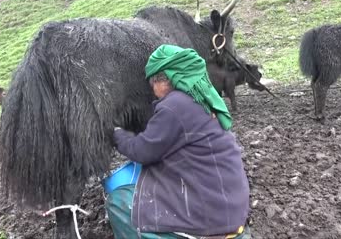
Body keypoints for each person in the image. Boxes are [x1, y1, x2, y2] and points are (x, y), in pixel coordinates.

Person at [106, 44, 251, 239]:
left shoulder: (175, 105)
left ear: (165, 79)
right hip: (229, 206)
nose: (152, 89)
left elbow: (142, 151)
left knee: (120, 202)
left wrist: (117, 134)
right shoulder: (204, 97)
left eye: (152, 83)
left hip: (211, 217)